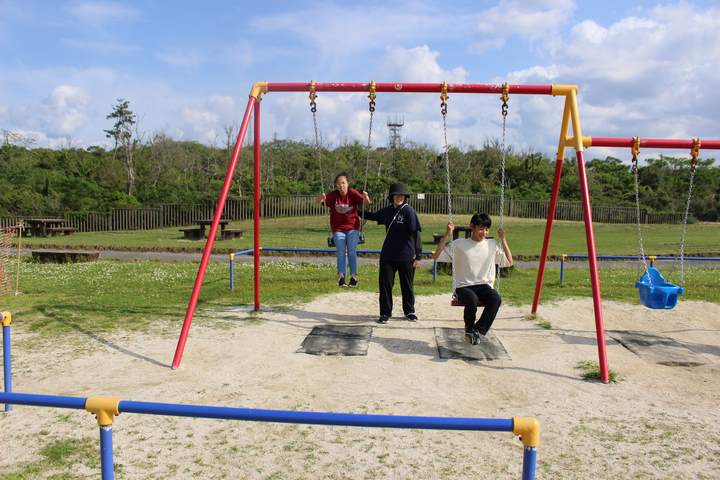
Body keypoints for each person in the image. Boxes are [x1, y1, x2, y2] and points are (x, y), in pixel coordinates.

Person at [433, 212, 513, 344]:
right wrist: (447, 234)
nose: (484, 232)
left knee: (496, 298)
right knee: (472, 299)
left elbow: (509, 262)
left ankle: (477, 330)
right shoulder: (459, 244)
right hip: (463, 286)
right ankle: (469, 328)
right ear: (472, 227)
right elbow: (436, 256)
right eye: (481, 228)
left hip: (484, 286)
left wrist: (503, 239)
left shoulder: (492, 244)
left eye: (486, 229)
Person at [364, 182, 422, 324]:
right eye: (396, 195)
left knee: (407, 285)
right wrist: (357, 209)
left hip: (406, 255)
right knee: (385, 285)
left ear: (405, 197)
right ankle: (385, 313)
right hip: (388, 255)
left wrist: (418, 255)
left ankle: (409, 311)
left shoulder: (409, 211)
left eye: (401, 195)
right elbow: (373, 216)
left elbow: (416, 233)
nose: (399, 197)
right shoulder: (388, 211)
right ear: (391, 197)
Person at [319, 173, 371, 288]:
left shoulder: (352, 193)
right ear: (336, 185)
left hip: (353, 227)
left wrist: (366, 197)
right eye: (338, 183)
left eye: (343, 183)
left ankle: (353, 277)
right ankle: (341, 277)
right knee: (341, 252)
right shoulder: (333, 195)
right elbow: (321, 202)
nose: (341, 185)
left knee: (351, 251)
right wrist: (320, 198)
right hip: (338, 228)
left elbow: (366, 202)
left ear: (348, 184)